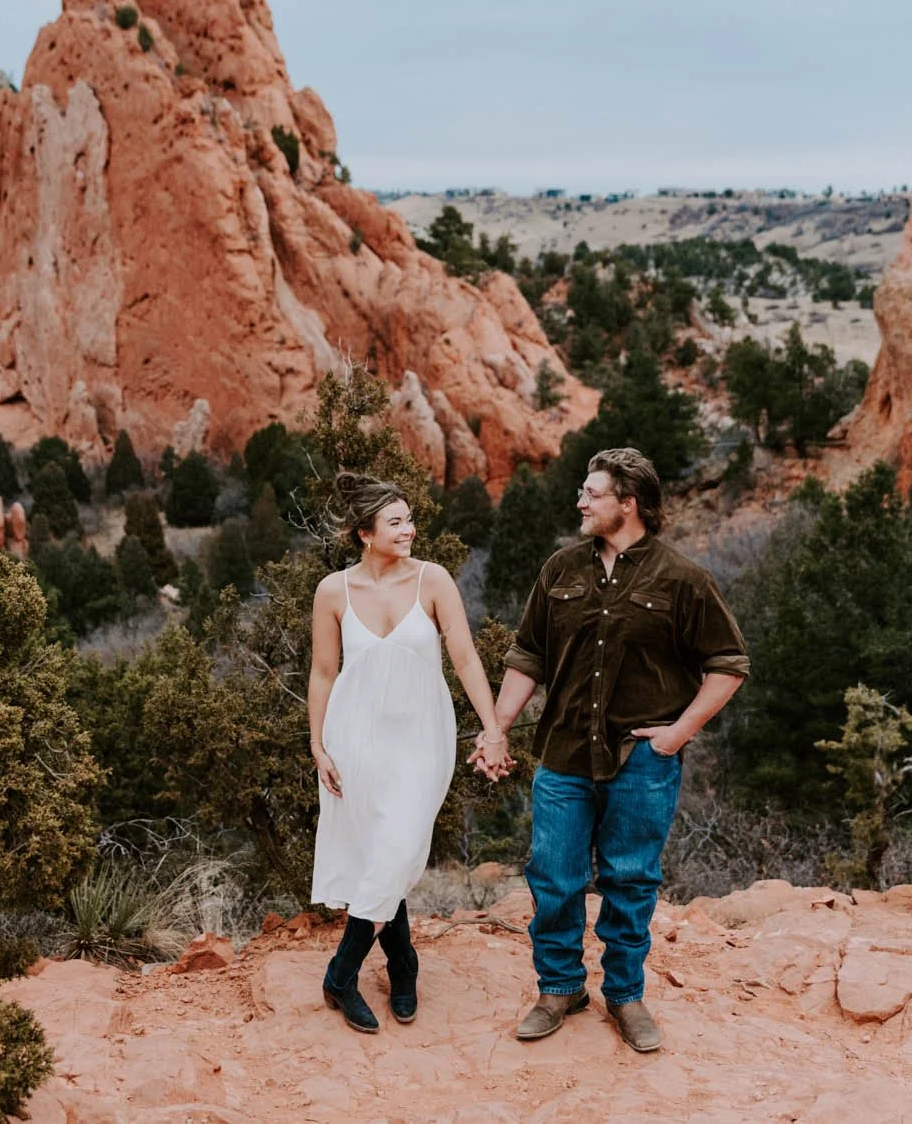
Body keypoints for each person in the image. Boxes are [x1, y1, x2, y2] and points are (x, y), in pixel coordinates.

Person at [471, 447, 748, 1053]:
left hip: (642, 760)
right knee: (555, 879)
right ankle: (560, 988)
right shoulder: (560, 569)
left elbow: (728, 665)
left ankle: (625, 997)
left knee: (630, 882)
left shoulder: (682, 579)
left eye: (592, 494)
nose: (580, 502)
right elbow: (528, 657)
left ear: (629, 503)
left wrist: (678, 734)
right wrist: (497, 729)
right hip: (563, 755)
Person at [308, 472, 508, 1033]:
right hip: (356, 737)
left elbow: (466, 659)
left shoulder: (434, 580)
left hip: (423, 737)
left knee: (399, 843)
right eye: (396, 522)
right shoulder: (334, 590)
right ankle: (402, 963)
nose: (410, 530)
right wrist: (318, 745)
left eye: (410, 519)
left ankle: (341, 973)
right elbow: (323, 673)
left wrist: (492, 729)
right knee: (379, 853)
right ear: (364, 534)